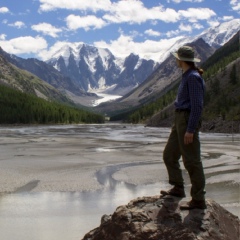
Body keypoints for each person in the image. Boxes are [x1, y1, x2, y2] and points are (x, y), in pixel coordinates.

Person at [160, 45, 206, 210]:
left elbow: (197, 106)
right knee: (169, 155)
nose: (175, 60)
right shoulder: (187, 75)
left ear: (181, 60)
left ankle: (199, 199)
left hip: (187, 120)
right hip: (179, 119)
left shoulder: (193, 77)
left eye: (177, 58)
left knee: (192, 161)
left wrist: (190, 129)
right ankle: (178, 187)